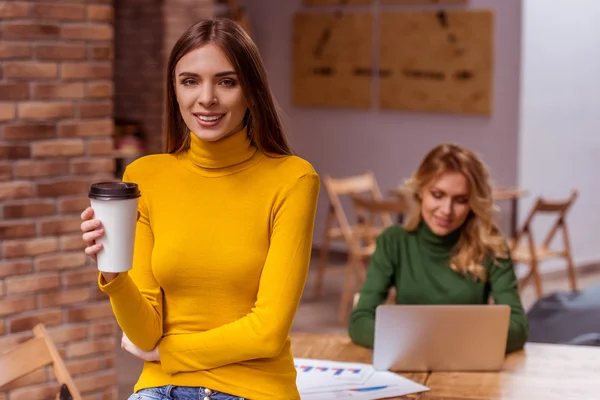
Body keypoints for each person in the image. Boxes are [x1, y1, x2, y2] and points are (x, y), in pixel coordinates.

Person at [80, 18, 320, 400]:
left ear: (251, 92)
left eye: (227, 81)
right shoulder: (145, 177)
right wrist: (112, 271)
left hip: (252, 389)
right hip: (160, 388)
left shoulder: (292, 179)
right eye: (190, 81)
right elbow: (144, 333)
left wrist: (167, 353)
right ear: (174, 90)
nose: (206, 98)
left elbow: (268, 331)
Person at [348, 144, 528, 354]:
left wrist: (444, 343)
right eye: (437, 195)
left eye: (460, 200)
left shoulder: (491, 247)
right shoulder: (393, 242)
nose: (446, 210)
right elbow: (360, 321)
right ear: (420, 192)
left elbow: (518, 326)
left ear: (473, 203)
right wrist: (424, 343)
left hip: (468, 366)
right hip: (409, 362)